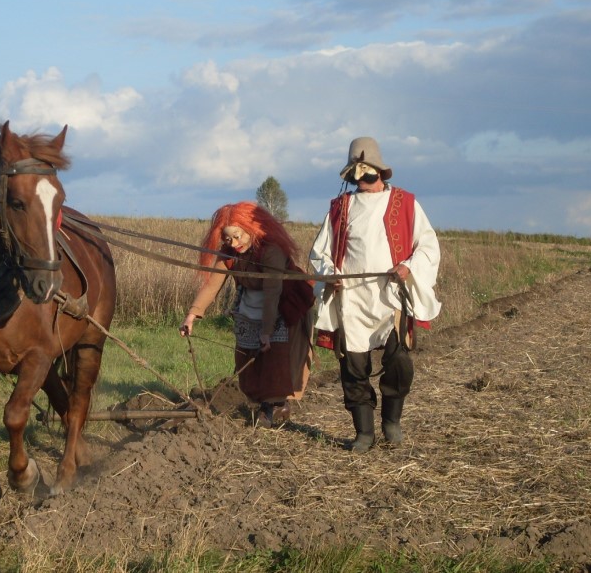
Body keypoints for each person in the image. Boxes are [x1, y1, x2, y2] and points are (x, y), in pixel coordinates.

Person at [309, 137, 441, 452]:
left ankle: (392, 423)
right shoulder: (340, 207)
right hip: (351, 298)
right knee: (353, 368)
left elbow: (428, 244)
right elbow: (319, 253)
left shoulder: (406, 202)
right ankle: (364, 433)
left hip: (391, 296)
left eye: (367, 175)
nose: (362, 182)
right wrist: (331, 276)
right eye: (357, 176)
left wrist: (409, 266)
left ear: (380, 172)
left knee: (398, 361)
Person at [180, 202, 314, 427]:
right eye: (228, 238)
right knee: (247, 356)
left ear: (251, 229)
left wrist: (267, 330)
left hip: (282, 306)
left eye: (237, 236)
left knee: (275, 358)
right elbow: (213, 284)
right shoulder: (229, 254)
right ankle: (266, 403)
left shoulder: (272, 251)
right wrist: (192, 315)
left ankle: (272, 407)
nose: (234, 243)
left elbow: (273, 292)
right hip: (250, 306)